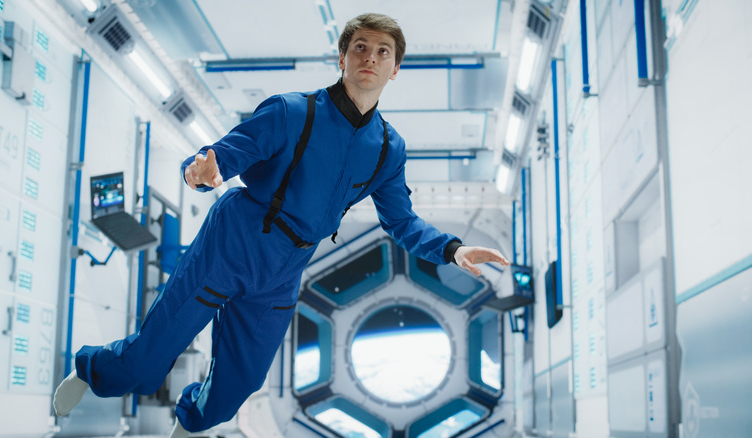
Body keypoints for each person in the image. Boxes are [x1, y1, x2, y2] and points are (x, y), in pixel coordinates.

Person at [53, 12, 509, 437]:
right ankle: (91, 367)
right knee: (145, 366)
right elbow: (223, 155)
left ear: (395, 69)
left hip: (287, 267)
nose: (370, 57)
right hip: (235, 241)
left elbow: (402, 221)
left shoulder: (388, 148)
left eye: (383, 51)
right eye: (361, 47)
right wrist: (200, 172)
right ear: (342, 57)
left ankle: (191, 419)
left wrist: (453, 250)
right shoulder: (294, 112)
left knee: (237, 387)